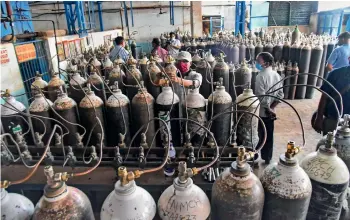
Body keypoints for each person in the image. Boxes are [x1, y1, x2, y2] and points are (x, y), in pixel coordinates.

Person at [255, 52, 284, 164]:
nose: (257, 63)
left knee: (257, 135)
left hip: (262, 112)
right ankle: (268, 157)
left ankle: (254, 156)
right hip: (271, 113)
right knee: (269, 135)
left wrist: (267, 108)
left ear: (266, 63)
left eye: (259, 61)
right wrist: (272, 108)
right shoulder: (277, 75)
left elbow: (262, 98)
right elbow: (281, 94)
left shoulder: (260, 76)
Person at [313, 59, 350, 135]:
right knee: (329, 144)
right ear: (349, 59)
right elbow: (324, 96)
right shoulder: (336, 74)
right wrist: (319, 117)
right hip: (333, 119)